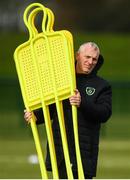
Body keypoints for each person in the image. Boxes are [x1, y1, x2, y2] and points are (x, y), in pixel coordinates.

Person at [24, 42, 112, 179]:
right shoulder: (62, 81)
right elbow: (52, 107)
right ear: (77, 55)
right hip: (60, 153)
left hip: (83, 155)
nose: (90, 62)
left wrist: (82, 102)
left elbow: (104, 113)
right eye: (87, 57)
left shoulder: (102, 85)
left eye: (94, 59)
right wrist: (35, 116)